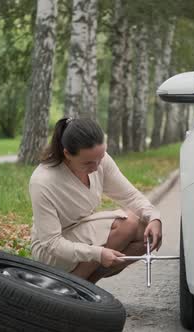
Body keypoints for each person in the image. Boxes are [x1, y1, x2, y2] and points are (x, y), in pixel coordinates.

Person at [29, 117, 163, 283]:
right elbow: (51, 243)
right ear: (67, 154)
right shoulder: (43, 181)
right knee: (128, 223)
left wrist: (154, 217)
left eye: (100, 158)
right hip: (51, 251)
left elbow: (130, 196)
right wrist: (97, 253)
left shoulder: (99, 160)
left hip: (82, 233)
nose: (97, 166)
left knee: (147, 234)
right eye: (88, 163)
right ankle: (70, 288)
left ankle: (85, 285)